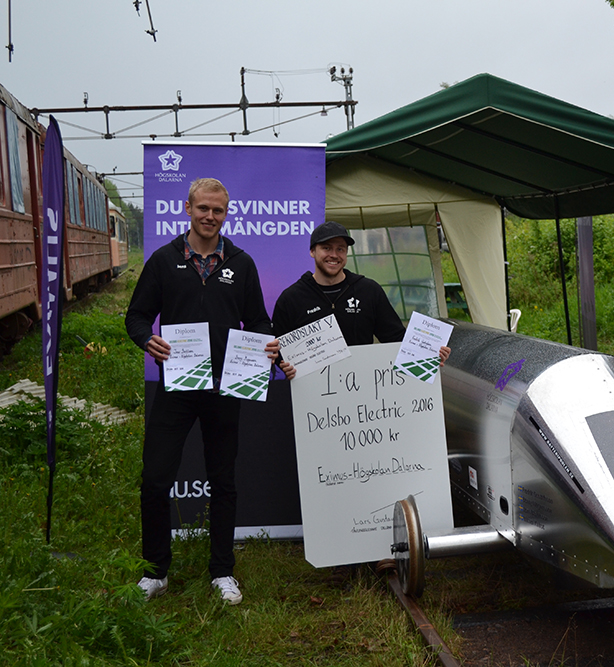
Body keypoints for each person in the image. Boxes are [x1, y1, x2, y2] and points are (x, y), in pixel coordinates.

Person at [125, 178, 277, 605]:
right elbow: (136, 316)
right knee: (155, 479)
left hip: (226, 387)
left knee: (223, 480)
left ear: (226, 214)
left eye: (219, 211)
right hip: (178, 385)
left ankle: (222, 571)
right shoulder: (162, 260)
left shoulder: (241, 264)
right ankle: (155, 572)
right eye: (204, 208)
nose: (211, 217)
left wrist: (268, 341)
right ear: (188, 208)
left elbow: (258, 320)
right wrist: (145, 339)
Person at [270, 221, 449, 375]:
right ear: (312, 251)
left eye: (340, 249)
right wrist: (283, 364)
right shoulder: (291, 298)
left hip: (362, 395)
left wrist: (428, 352)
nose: (334, 255)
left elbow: (395, 337)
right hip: (313, 399)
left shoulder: (368, 291)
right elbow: (278, 348)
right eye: (326, 248)